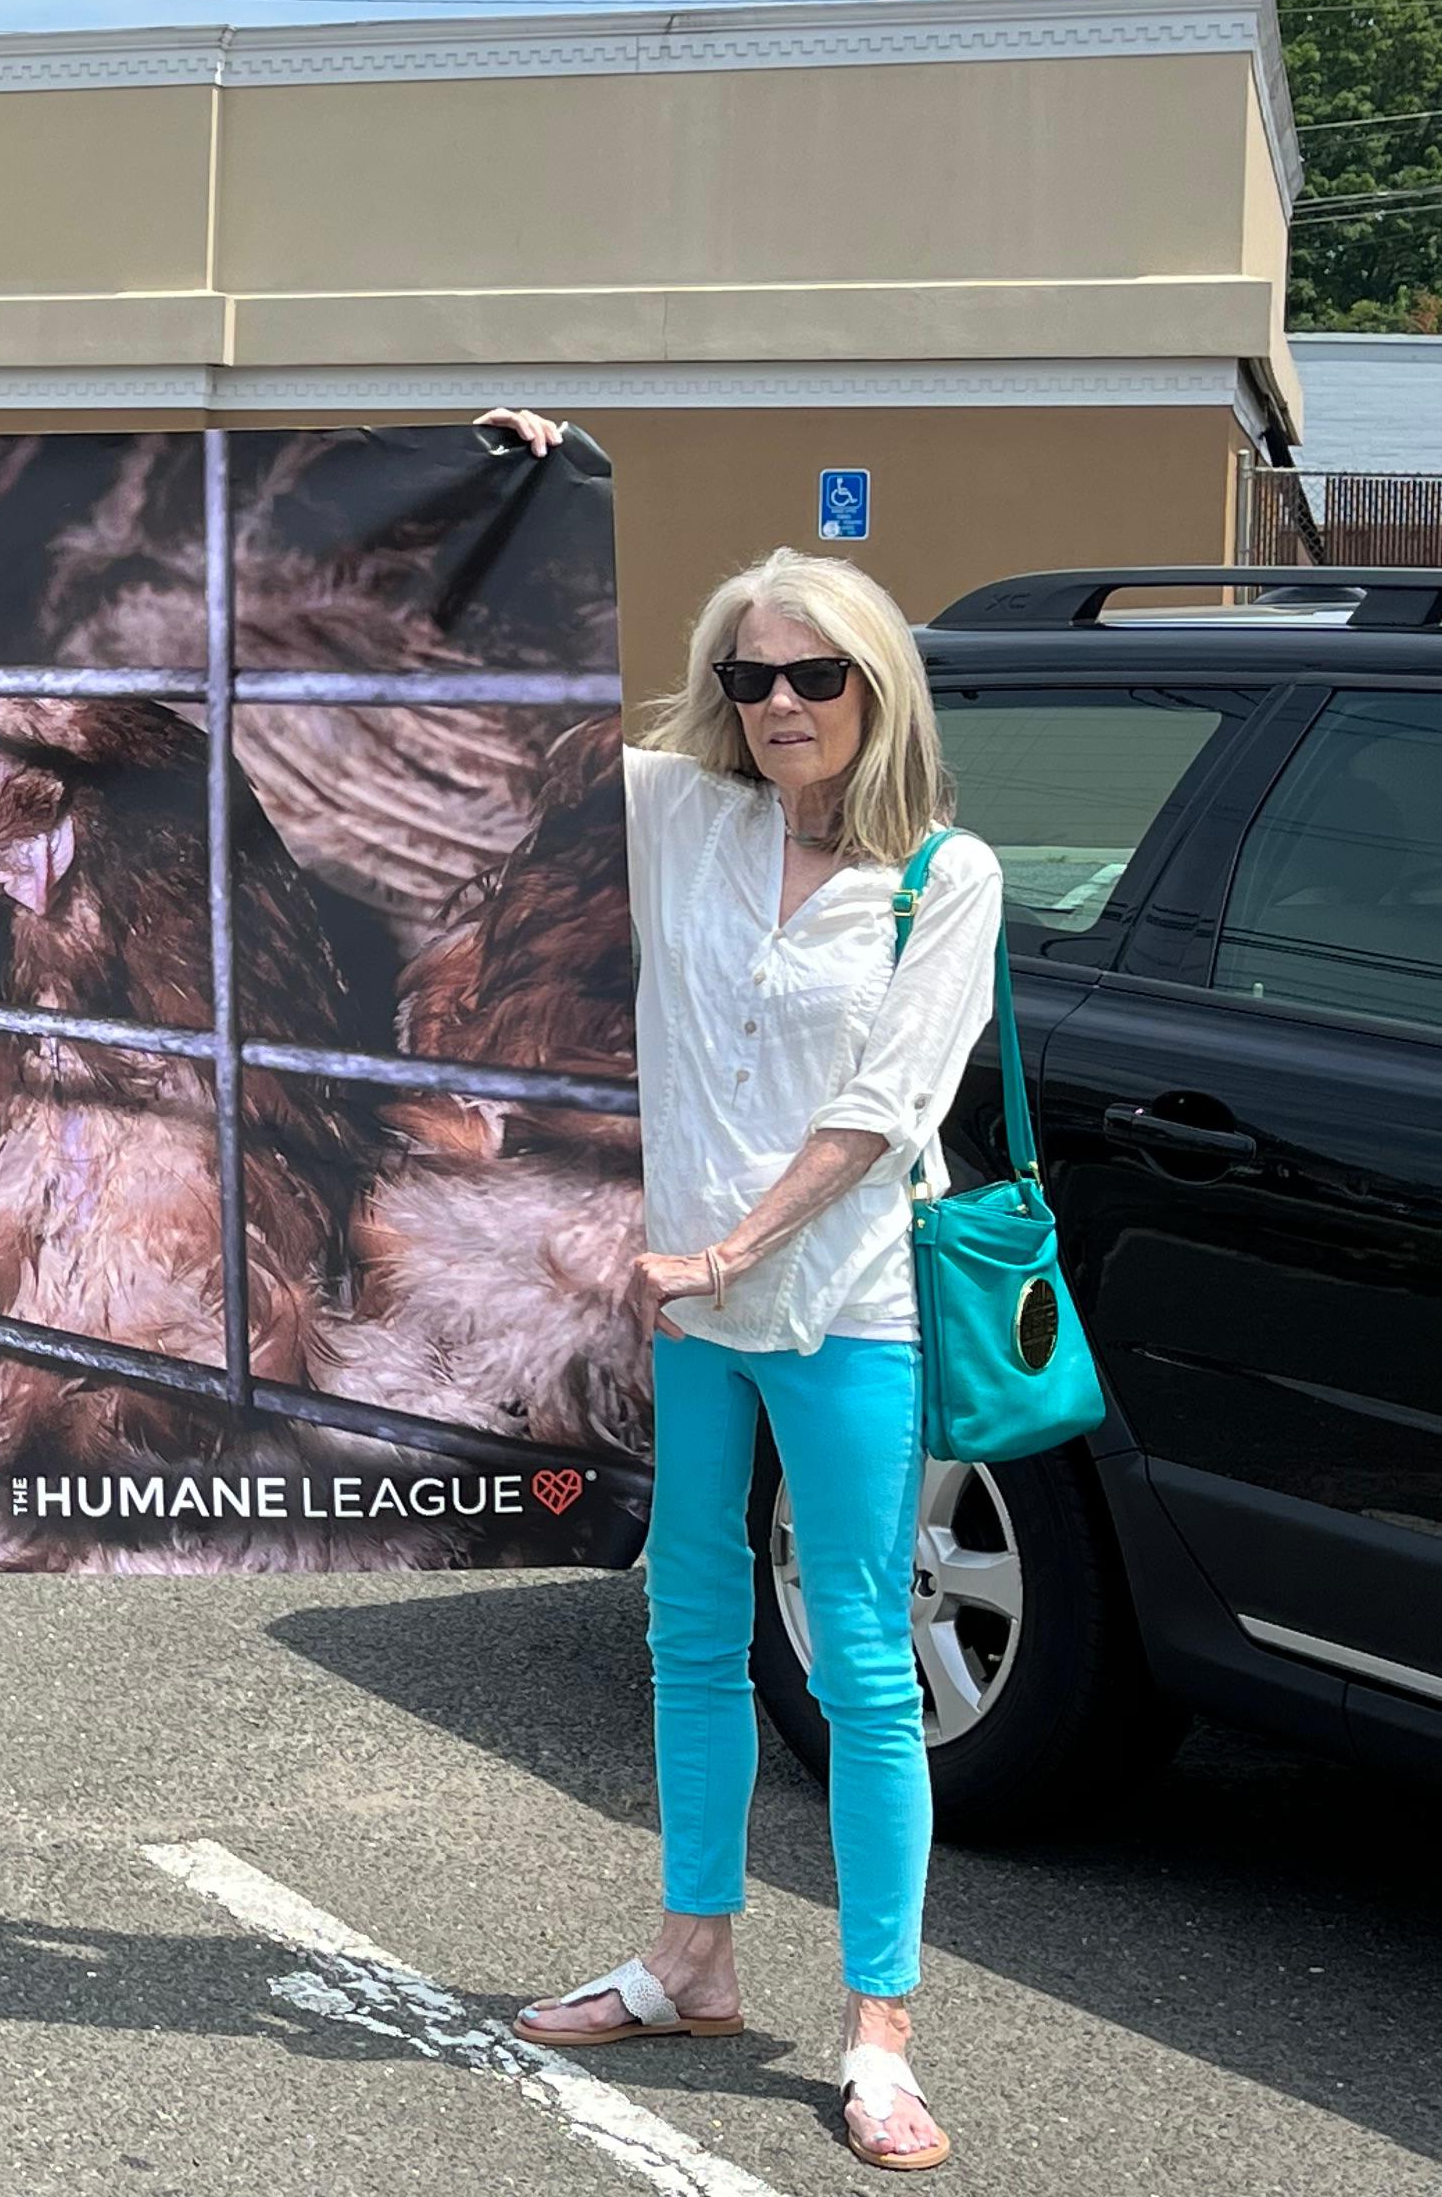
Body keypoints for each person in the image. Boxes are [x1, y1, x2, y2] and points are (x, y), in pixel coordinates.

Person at [478, 411, 993, 2175]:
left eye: (819, 677)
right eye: (753, 676)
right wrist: (538, 495)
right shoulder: (683, 817)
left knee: (857, 1660)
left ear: (879, 691)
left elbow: (883, 1110)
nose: (782, 704)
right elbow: (521, 717)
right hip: (691, 1314)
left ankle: (876, 2030)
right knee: (687, 1634)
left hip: (839, 1306)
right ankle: (690, 1956)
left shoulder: (946, 875)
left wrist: (722, 1251)